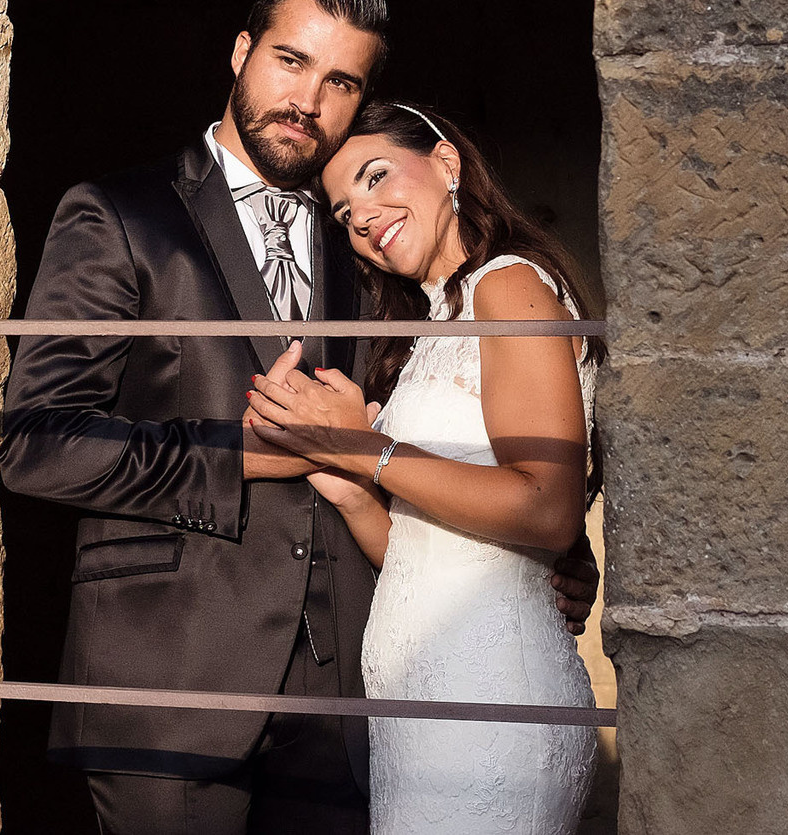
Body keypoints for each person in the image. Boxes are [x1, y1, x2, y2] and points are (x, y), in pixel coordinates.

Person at [1, 0, 596, 835]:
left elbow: (488, 422)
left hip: (350, 695)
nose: (307, 99)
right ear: (241, 54)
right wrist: (246, 453)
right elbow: (40, 442)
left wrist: (545, 556)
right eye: (289, 60)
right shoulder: (119, 215)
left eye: (341, 82)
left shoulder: (368, 242)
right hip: (174, 683)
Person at [245, 101, 603, 835]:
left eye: (377, 177)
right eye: (345, 212)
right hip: (419, 711)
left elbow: (548, 507)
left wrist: (365, 449)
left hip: (492, 704)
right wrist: (353, 492)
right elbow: (424, 554)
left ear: (447, 163)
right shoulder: (435, 323)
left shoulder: (510, 285)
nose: (365, 216)